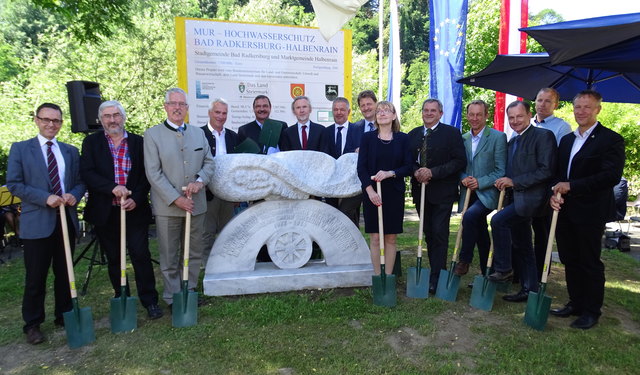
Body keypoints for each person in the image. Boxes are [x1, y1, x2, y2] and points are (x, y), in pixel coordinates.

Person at [7, 103, 85, 345]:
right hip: (37, 223)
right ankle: (32, 323)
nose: (51, 124)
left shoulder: (70, 151)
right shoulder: (21, 149)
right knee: (36, 277)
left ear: (62, 123)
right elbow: (14, 184)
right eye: (46, 119)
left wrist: (74, 194)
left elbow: (81, 181)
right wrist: (45, 198)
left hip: (65, 221)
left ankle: (64, 315)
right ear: (36, 120)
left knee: (65, 273)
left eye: (57, 121)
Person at [80, 100, 162, 320]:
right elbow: (87, 173)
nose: (113, 119)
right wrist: (112, 188)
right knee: (115, 259)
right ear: (101, 119)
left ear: (123, 117)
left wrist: (136, 197)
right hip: (106, 212)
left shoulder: (139, 142)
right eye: (107, 116)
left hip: (134, 210)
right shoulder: (91, 143)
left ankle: (150, 300)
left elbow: (148, 174)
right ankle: (122, 296)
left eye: (116, 115)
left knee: (141, 255)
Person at [550, 90, 625, 329]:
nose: (581, 111)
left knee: (589, 261)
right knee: (569, 258)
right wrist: (555, 193)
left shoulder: (610, 139)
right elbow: (559, 174)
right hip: (564, 210)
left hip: (591, 211)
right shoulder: (567, 140)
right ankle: (575, 302)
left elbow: (610, 176)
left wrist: (572, 186)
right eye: (577, 107)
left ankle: (592, 311)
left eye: (586, 107)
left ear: (597, 110)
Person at [144, 88, 215, 307]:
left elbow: (209, 163)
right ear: (165, 107)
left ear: (187, 108)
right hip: (168, 207)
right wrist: (176, 199)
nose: (177, 108)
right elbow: (153, 173)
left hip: (196, 204)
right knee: (169, 255)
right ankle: (173, 297)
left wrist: (200, 181)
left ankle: (190, 289)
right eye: (173, 104)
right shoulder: (152, 135)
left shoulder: (198, 133)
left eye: (181, 104)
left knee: (193, 251)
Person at [489, 101, 556, 302]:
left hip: (533, 200)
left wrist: (514, 181)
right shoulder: (512, 141)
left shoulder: (543, 136)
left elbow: (546, 170)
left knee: (498, 221)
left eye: (519, 116)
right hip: (515, 199)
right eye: (511, 118)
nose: (515, 121)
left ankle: (504, 268)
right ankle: (529, 289)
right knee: (523, 244)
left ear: (529, 115)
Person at [407, 98, 466, 294]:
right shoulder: (414, 134)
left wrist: (433, 172)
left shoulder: (451, 133)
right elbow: (408, 161)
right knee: (429, 233)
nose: (429, 113)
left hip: (442, 192)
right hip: (420, 192)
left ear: (440, 113)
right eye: (426, 110)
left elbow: (459, 161)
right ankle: (433, 269)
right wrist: (416, 171)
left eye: (433, 110)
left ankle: (437, 276)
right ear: (422, 112)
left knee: (439, 232)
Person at [357, 101, 412, 275]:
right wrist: (370, 191)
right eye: (379, 110)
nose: (382, 113)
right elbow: (361, 168)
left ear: (394, 116)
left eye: (386, 110)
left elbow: (409, 166)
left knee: (390, 237)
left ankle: (387, 277)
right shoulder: (367, 138)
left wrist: (390, 173)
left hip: (393, 193)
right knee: (374, 237)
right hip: (372, 194)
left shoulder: (403, 139)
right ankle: (377, 276)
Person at [454, 100, 507, 277]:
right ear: (467, 115)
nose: (475, 118)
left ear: (486, 115)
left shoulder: (498, 137)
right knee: (481, 232)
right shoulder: (462, 139)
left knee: (469, 216)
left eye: (479, 114)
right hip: (468, 193)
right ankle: (487, 273)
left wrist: (480, 181)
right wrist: (463, 179)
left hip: (488, 192)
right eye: (472, 114)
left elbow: (501, 170)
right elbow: (459, 167)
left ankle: (465, 259)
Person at [531, 88, 573, 279]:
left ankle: (541, 272)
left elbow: (560, 161)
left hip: (546, 188)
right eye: (540, 100)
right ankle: (521, 271)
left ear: (556, 105)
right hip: (525, 187)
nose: (543, 104)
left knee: (542, 232)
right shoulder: (527, 123)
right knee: (521, 230)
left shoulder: (561, 128)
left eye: (548, 101)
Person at [201, 98, 239, 259]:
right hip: (206, 192)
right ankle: (206, 265)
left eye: (224, 113)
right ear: (210, 113)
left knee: (228, 230)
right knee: (206, 231)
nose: (221, 116)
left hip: (228, 192)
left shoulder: (233, 136)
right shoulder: (199, 134)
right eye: (217, 112)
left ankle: (225, 261)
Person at [322, 97, 365, 227]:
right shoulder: (326, 132)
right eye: (335, 109)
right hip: (331, 183)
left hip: (352, 182)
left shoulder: (358, 130)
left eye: (342, 109)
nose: (339, 112)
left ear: (349, 111)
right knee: (331, 216)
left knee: (350, 218)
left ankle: (353, 246)